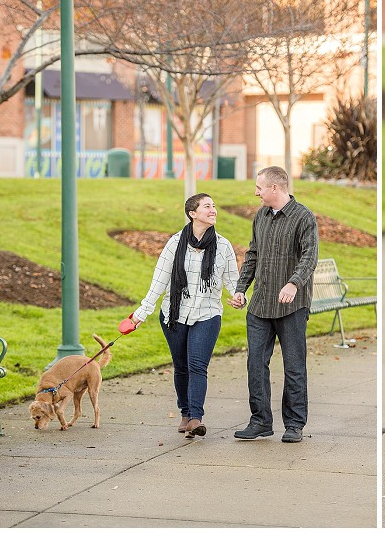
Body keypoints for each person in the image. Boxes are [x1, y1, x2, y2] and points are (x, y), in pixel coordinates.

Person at [131, 193, 240, 438]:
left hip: (208, 314)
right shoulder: (175, 243)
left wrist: (238, 296)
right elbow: (159, 281)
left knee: (197, 365)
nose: (213, 210)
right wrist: (140, 313)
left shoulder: (223, 245)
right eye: (207, 206)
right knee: (181, 366)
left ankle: (195, 418)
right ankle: (184, 412)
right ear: (193, 213)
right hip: (174, 314)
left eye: (214, 206)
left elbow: (233, 281)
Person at [229, 166, 319, 443]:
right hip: (260, 305)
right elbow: (253, 254)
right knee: (255, 364)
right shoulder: (261, 216)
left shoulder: (304, 218)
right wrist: (241, 290)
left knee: (294, 367)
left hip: (292, 307)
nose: (256, 192)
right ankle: (260, 422)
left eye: (259, 187)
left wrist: (293, 283)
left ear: (275, 189)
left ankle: (294, 424)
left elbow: (309, 257)